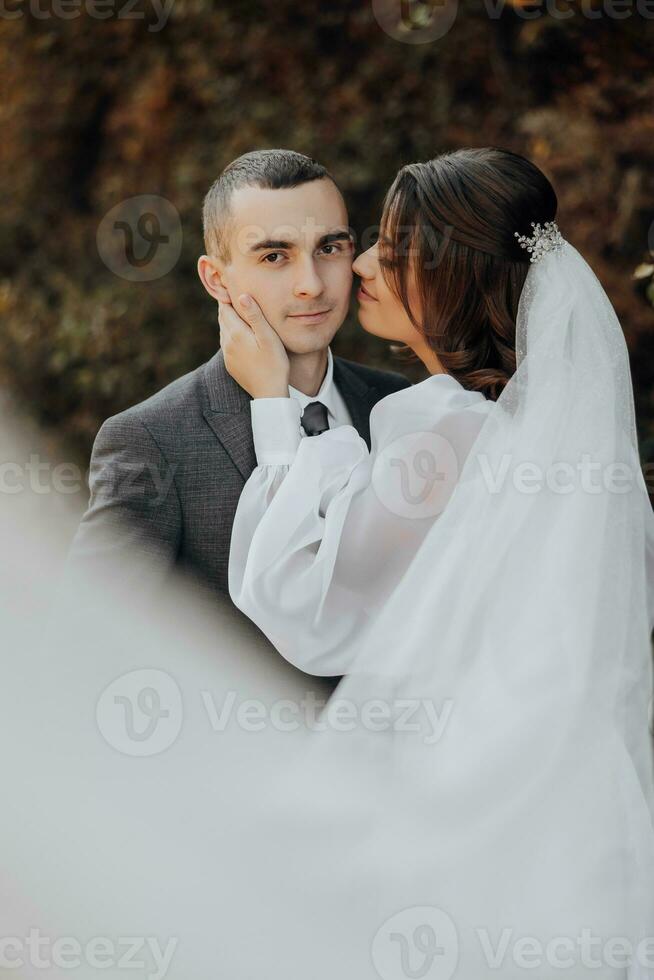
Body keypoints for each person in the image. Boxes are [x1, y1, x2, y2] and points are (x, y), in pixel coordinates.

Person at [223, 147, 654, 974]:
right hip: (561, 795)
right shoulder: (506, 428)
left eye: (400, 248)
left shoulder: (450, 432)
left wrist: (275, 407)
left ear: (457, 273)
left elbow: (308, 604)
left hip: (479, 797)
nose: (370, 266)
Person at [65, 149, 411, 636]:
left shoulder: (398, 404)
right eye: (274, 256)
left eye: (329, 248)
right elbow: (84, 634)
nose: (311, 284)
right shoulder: (152, 440)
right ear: (216, 278)